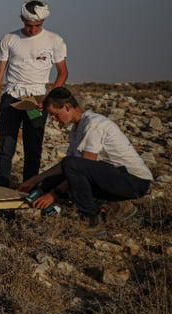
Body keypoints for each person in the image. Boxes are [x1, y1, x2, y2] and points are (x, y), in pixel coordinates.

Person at [19, 86, 151, 230]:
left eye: (55, 115)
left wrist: (53, 194)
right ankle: (118, 205)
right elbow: (66, 166)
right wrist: (37, 179)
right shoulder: (76, 129)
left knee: (71, 168)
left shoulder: (93, 125)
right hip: (114, 176)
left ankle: (91, 220)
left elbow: (79, 167)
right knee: (55, 177)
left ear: (67, 106)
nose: (54, 120)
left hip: (133, 181)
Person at [0, 0, 68, 187]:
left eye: (37, 25)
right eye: (29, 25)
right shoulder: (9, 39)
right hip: (12, 98)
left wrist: (49, 98)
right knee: (6, 144)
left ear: (43, 22)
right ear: (22, 19)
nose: (33, 29)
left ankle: (29, 186)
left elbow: (63, 72)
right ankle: (1, 186)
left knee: (33, 145)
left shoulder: (54, 41)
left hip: (36, 100)